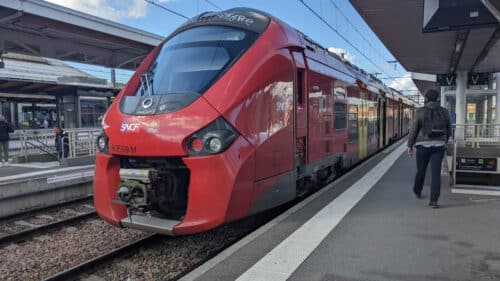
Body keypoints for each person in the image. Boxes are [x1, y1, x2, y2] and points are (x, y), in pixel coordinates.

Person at [407, 89, 452, 208]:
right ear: (437, 98)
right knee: (436, 174)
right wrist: (443, 142)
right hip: (439, 146)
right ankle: (434, 201)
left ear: (426, 98)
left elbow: (414, 130)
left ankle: (417, 191)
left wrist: (410, 145)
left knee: (421, 170)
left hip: (422, 146)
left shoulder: (420, 111)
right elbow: (449, 130)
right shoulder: (445, 112)